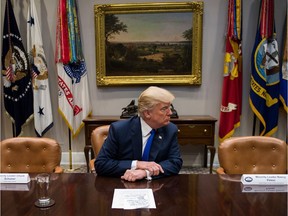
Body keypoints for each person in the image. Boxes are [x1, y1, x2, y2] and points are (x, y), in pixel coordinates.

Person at [95, 86, 183, 182]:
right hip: (123, 184)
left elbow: (175, 163)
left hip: (156, 186)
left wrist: (146, 172)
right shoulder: (120, 130)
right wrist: (137, 164)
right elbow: (101, 164)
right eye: (164, 109)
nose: (170, 112)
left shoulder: (170, 129)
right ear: (147, 113)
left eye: (169, 107)